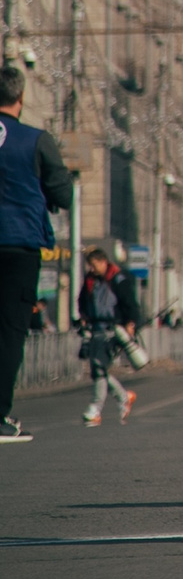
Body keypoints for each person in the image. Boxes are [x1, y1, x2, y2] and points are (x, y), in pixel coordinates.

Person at [0, 64, 73, 442]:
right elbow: (62, 193)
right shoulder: (36, 140)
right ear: (21, 97)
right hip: (18, 245)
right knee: (10, 331)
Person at [75, 248, 144, 426]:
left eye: (94, 265)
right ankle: (123, 397)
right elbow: (82, 301)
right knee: (100, 369)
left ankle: (95, 408)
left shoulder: (118, 279)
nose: (92, 268)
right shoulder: (91, 281)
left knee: (98, 368)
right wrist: (83, 318)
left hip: (114, 330)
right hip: (96, 329)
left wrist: (131, 324)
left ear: (103, 261)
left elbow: (130, 303)